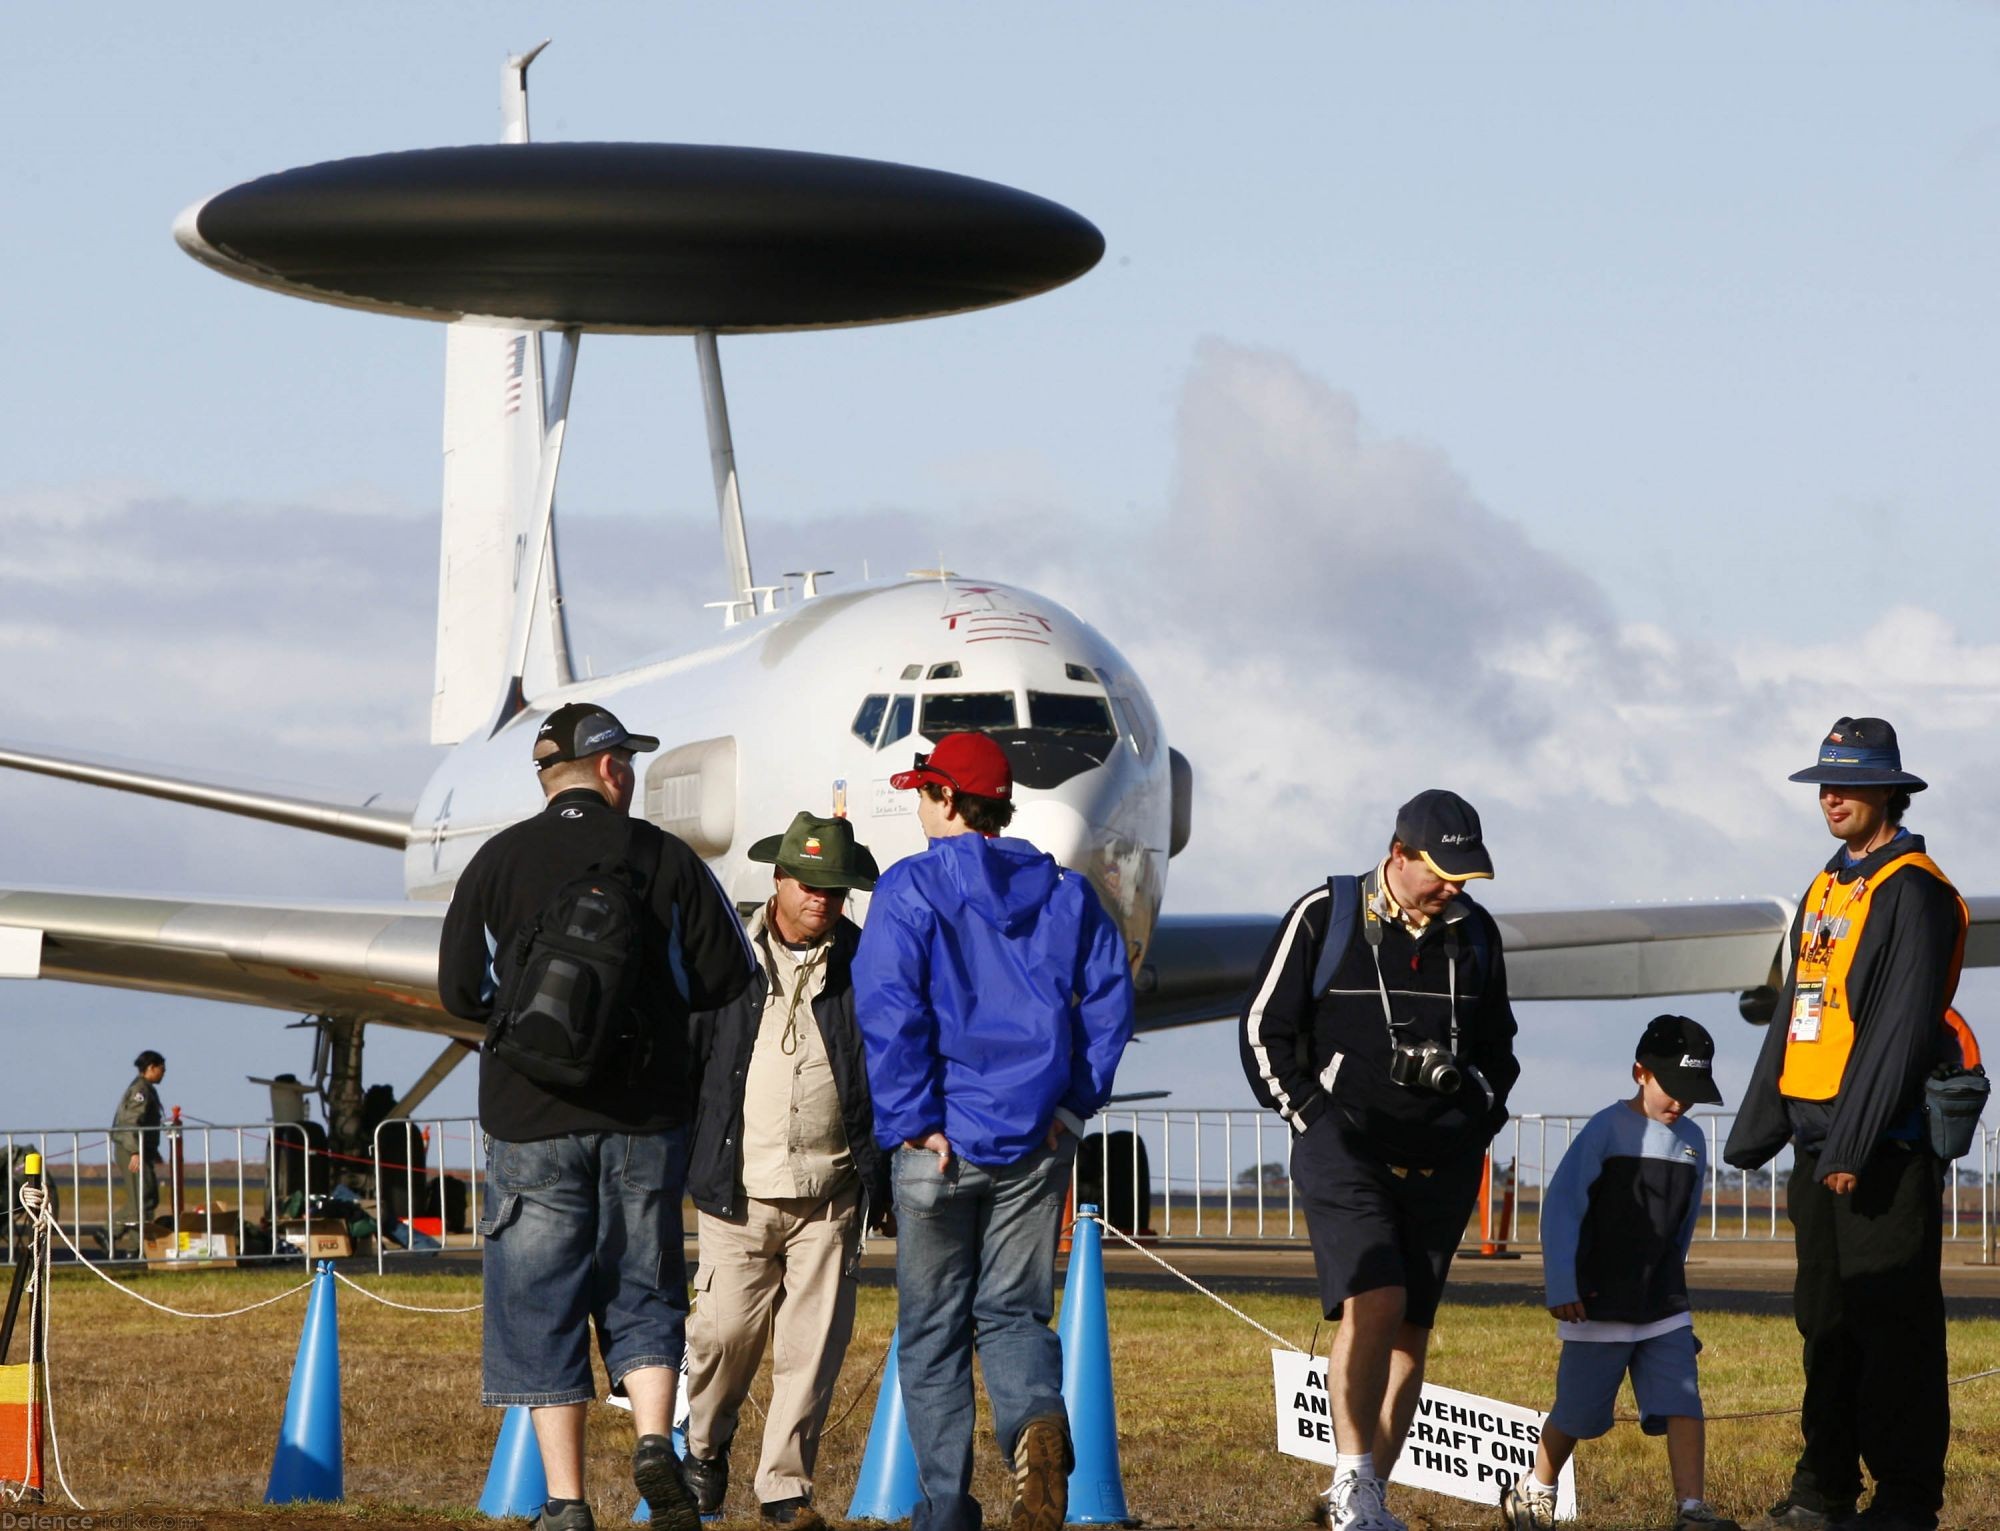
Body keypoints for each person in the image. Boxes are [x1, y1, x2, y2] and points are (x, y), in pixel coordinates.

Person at [439, 701, 754, 1531]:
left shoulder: (498, 859)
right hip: (645, 1116)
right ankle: (655, 1440)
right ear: (612, 769)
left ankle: (568, 1501)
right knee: (644, 1287)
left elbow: (456, 988)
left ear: (548, 778)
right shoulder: (665, 856)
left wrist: (519, 1015)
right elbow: (728, 975)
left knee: (540, 1300)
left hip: (528, 1114)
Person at [853, 732, 1135, 1531]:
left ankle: (945, 1508)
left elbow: (887, 1007)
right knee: (1013, 1315)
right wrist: (1074, 1106)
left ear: (946, 799)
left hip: (939, 1145)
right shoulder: (1068, 894)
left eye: (922, 792)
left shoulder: (910, 888)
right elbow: (1110, 1004)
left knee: (933, 1331)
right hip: (1033, 1141)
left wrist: (914, 1121)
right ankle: (1037, 1424)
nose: (916, 805)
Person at [1239, 788, 1519, 1531]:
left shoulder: (1476, 934)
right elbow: (1264, 1029)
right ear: (1399, 855)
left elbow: (1501, 1052)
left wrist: (1474, 1118)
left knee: (1411, 1330)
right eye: (1442, 871)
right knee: (1375, 1298)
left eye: (1467, 875)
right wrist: (1313, 1118)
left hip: (1444, 1159)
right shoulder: (1323, 918)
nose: (1454, 887)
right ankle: (1351, 1478)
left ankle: (1371, 1497)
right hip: (1346, 1148)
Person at [1724, 718, 1967, 1531]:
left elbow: (1899, 1030)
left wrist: (1855, 1145)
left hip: (1881, 1151)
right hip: (1819, 1143)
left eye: (1848, 782)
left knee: (1891, 1325)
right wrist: (1762, 1129)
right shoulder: (1827, 887)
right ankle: (1824, 1487)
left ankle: (1905, 1499)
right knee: (1823, 1320)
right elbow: (1795, 1012)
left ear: (1889, 790)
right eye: (1823, 783)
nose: (1830, 796)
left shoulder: (1917, 893)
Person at [681, 812, 893, 1531]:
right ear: (778, 880)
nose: (822, 901)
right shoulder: (725, 958)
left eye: (835, 890)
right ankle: (705, 1448)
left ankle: (783, 1489)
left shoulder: (866, 962)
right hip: (736, 1189)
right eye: (809, 886)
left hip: (831, 1192)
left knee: (811, 1351)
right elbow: (689, 1057)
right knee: (720, 1338)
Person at [1500, 1015, 1738, 1531]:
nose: (1681, 1104)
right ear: (1640, 1073)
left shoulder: (1693, 1141)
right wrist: (1562, 1285)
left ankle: (1691, 1509)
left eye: (1692, 1094)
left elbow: (1684, 1222)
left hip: (1664, 1305)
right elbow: (1562, 1209)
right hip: (1596, 1302)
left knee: (1683, 1401)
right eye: (1673, 1089)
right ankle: (1535, 1488)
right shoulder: (1605, 1130)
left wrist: (1675, 1284)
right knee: (1578, 1413)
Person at [110, 1049, 166, 1256]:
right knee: (141, 1200)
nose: (163, 1074)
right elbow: (130, 1123)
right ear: (151, 1068)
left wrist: (152, 1149)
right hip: (131, 1150)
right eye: (161, 1069)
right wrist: (135, 1151)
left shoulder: (147, 1088)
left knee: (147, 1197)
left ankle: (134, 1247)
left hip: (141, 1150)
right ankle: (110, 1231)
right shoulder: (140, 1091)